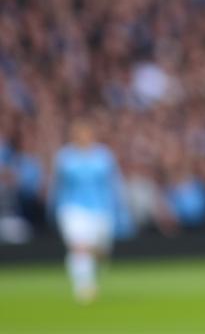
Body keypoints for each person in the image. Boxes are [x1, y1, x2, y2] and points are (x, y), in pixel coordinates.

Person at [49, 120, 122, 303]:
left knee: (99, 251)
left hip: (100, 210)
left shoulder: (103, 156)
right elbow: (57, 186)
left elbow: (114, 184)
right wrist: (53, 208)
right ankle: (84, 287)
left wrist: (119, 209)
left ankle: (91, 273)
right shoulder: (65, 158)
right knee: (79, 246)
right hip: (73, 209)